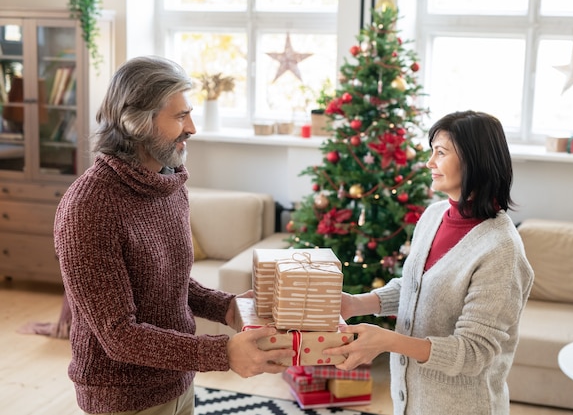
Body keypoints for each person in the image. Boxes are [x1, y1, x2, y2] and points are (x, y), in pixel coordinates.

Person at [53, 55, 293, 415]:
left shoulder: (168, 181)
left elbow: (166, 282)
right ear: (137, 123)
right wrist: (222, 353)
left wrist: (225, 307)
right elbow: (119, 335)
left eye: (190, 113)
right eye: (180, 116)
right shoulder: (89, 208)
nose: (192, 127)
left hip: (178, 380)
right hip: (124, 398)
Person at [324, 110, 535, 414]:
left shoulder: (501, 250)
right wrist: (356, 304)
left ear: (474, 161)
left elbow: (474, 353)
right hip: (411, 402)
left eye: (441, 152)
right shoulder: (435, 215)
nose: (430, 162)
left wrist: (387, 341)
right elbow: (417, 288)